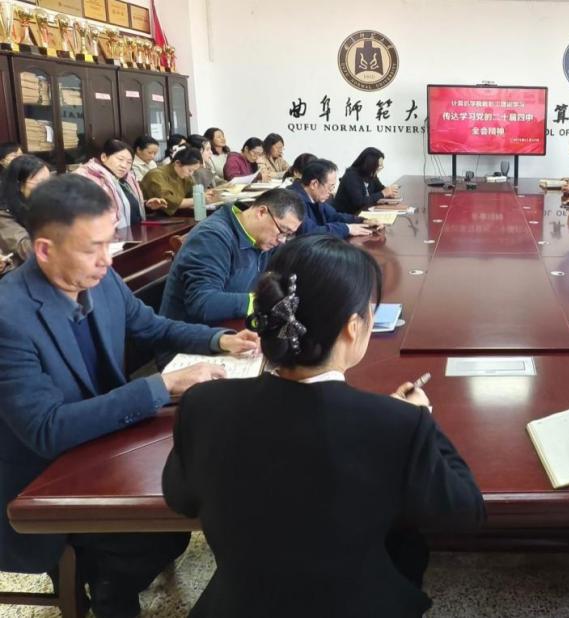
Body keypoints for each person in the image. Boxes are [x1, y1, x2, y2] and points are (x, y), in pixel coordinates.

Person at [162, 235, 485, 617]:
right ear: (353, 327)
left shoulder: (203, 404)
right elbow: (465, 512)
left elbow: (180, 499)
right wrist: (422, 417)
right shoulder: (398, 424)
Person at [0, 175, 259, 618]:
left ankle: (110, 579)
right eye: (93, 248)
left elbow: (152, 326)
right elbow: (46, 429)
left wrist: (219, 340)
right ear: (44, 249)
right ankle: (107, 593)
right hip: (44, 477)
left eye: (109, 242)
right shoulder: (9, 316)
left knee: (175, 520)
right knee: (149, 534)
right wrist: (162, 386)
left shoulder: (99, 279)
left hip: (104, 444)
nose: (107, 259)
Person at [160, 189, 305, 326]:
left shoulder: (264, 238)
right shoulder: (212, 237)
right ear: (261, 212)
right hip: (191, 336)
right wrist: (260, 302)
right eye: (283, 231)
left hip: (233, 326)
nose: (282, 240)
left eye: (288, 235)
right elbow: (202, 303)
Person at [74, 139, 167, 227]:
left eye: (129, 162)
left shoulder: (127, 178)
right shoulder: (88, 179)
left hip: (134, 233)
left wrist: (146, 205)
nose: (124, 166)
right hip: (111, 236)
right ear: (104, 157)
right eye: (120, 159)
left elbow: (125, 206)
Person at [290, 158, 377, 239]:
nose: (331, 192)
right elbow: (309, 232)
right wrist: (347, 229)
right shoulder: (293, 201)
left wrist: (362, 221)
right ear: (314, 184)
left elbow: (334, 216)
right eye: (330, 187)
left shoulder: (315, 197)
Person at [0, 155, 49, 274]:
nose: (48, 188)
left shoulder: (41, 204)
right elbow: (27, 250)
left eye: (50, 181)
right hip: (22, 274)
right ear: (19, 185)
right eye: (41, 183)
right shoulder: (4, 214)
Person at [141, 147, 209, 216]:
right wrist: (199, 199)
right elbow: (168, 202)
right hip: (155, 217)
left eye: (194, 171)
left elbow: (194, 193)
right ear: (177, 163)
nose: (191, 174)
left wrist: (207, 196)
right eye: (190, 170)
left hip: (177, 215)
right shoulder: (156, 175)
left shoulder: (185, 176)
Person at [335, 147, 399, 215]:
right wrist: (383, 193)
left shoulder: (370, 174)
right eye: (379, 166)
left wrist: (389, 193)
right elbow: (359, 202)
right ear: (369, 165)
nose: (380, 169)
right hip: (348, 216)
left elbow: (380, 189)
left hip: (363, 212)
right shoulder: (351, 176)